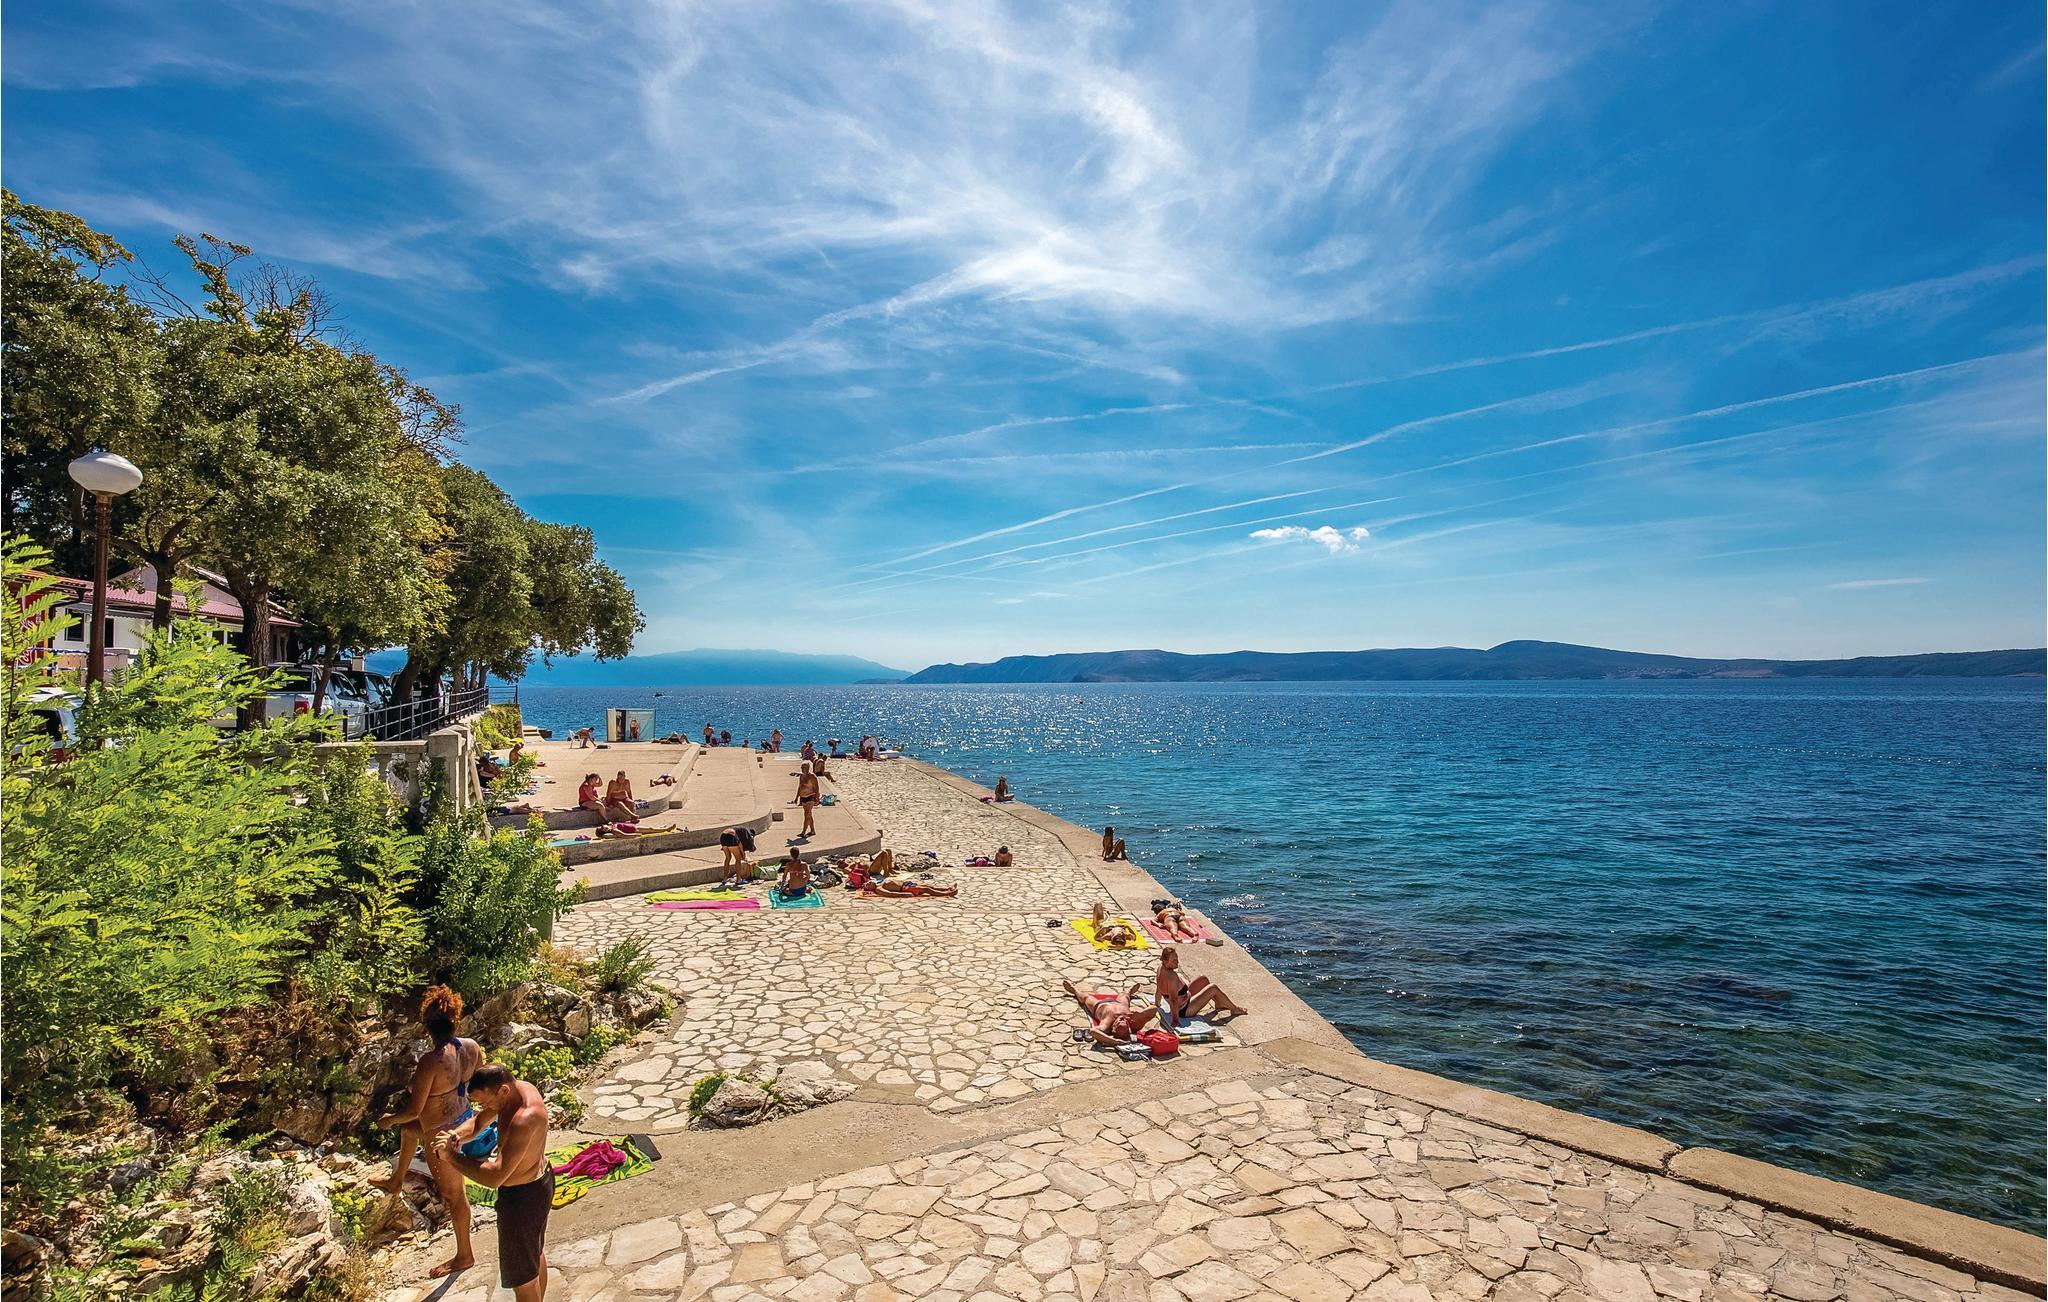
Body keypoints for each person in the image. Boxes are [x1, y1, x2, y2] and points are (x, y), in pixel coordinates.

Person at [370, 987, 484, 1276]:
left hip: (442, 1134)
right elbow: (477, 1084)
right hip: (464, 1119)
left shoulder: (430, 1062)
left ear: (427, 1026)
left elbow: (413, 1110)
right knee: (410, 1132)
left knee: (454, 1195)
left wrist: (388, 1120)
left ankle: (465, 1255)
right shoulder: (471, 1047)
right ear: (456, 1019)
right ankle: (396, 1181)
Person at [436, 1062, 553, 1301]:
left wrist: (451, 1157)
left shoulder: (524, 1117)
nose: (483, 1108)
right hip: (537, 1186)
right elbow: (478, 1123)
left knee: (523, 1279)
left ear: (503, 1091)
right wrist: (455, 1136)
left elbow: (495, 1176)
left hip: (523, 1198)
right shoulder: (513, 1093)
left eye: (485, 1102)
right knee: (532, 1255)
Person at [1154, 946, 1246, 1028]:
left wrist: (1157, 1004)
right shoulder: (1172, 977)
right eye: (1174, 960)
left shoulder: (1160, 968)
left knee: (1203, 979)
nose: (1177, 962)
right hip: (1184, 1009)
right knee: (1213, 988)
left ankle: (1219, 1004)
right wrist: (1175, 1020)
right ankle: (1234, 1009)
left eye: (1177, 958)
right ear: (1165, 961)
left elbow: (1159, 989)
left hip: (1184, 999)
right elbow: (1173, 1000)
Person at [1062, 979, 1157, 1046]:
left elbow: (1093, 1031)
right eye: (1123, 1021)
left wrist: (1113, 1041)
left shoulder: (1106, 1025)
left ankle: (1074, 990)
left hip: (1100, 1005)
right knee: (1124, 995)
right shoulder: (1134, 1023)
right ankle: (1129, 991)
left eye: (1119, 1022)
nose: (1121, 1018)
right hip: (1120, 1003)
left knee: (1085, 997)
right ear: (1128, 1027)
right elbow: (1154, 1009)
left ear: (1113, 1027)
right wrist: (1141, 1013)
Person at [795, 762, 820, 838]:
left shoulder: (812, 776)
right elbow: (800, 787)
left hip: (810, 797)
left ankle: (803, 832)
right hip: (803, 797)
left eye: (804, 767)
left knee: (807, 814)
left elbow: (816, 788)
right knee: (809, 815)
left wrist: (817, 798)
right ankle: (812, 831)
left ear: (808, 768)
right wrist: (796, 798)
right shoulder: (801, 776)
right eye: (801, 767)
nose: (802, 769)